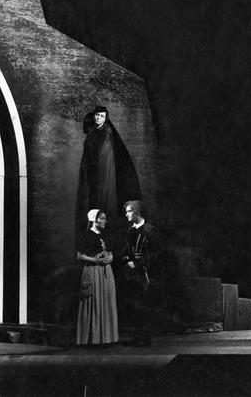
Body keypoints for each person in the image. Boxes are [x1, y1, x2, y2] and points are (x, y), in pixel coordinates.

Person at [77, 105, 142, 249]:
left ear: (105, 118)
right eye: (97, 115)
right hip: (92, 174)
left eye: (101, 116)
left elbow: (104, 156)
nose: (98, 118)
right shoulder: (93, 131)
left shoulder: (107, 133)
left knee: (103, 204)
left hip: (103, 176)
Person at [76, 209, 119, 346]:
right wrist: (96, 260)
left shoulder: (105, 235)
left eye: (105, 218)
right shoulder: (86, 235)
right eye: (102, 218)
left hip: (106, 271)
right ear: (95, 220)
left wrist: (110, 258)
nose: (105, 221)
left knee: (107, 301)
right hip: (93, 271)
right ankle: (93, 339)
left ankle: (107, 338)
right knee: (94, 301)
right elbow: (80, 256)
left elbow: (110, 252)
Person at [121, 200, 156, 346]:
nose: (126, 214)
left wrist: (138, 264)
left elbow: (153, 253)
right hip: (132, 272)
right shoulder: (131, 231)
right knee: (133, 304)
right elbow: (126, 250)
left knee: (145, 304)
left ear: (137, 211)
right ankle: (136, 336)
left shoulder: (149, 229)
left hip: (145, 271)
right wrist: (127, 260)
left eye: (129, 211)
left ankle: (146, 337)